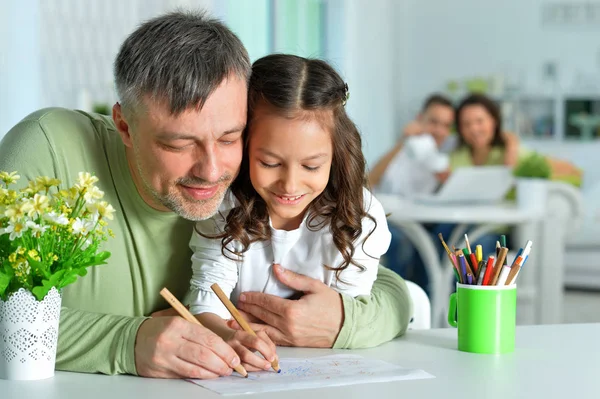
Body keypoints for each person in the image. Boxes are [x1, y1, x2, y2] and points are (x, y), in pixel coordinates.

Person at [0, 11, 411, 378]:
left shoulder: (252, 189)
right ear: (124, 127)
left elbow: (390, 290)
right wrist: (128, 341)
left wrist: (341, 322)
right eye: (179, 144)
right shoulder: (51, 149)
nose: (212, 171)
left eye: (231, 137)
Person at [188, 54, 391, 371]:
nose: (290, 184)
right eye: (269, 163)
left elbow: (344, 318)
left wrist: (237, 319)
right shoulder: (226, 206)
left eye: (312, 166)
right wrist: (223, 331)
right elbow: (205, 300)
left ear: (336, 155)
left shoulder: (360, 215)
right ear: (242, 146)